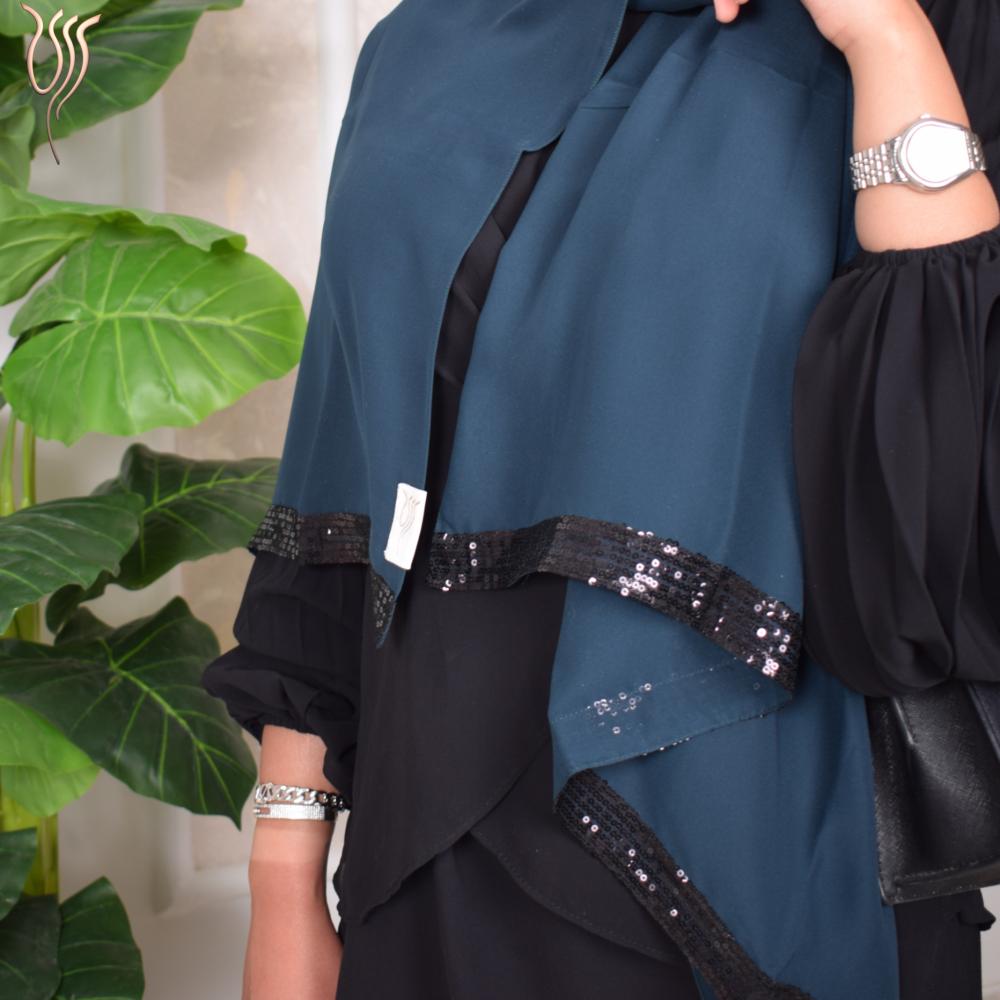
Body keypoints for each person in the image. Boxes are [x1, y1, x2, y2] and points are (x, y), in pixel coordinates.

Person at [202, 0, 1000, 997]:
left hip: (760, 871)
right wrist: (283, 872)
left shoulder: (925, 30)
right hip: (424, 853)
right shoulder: (423, 42)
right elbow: (335, 476)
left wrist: (880, 35)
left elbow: (949, 492)